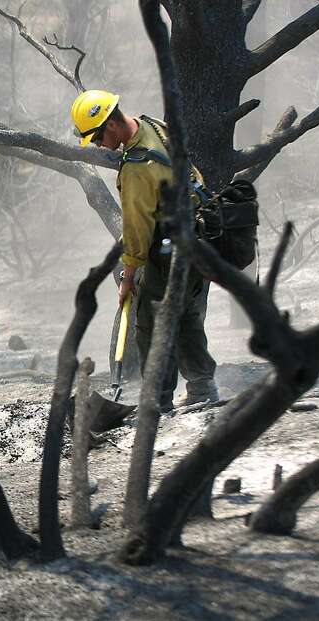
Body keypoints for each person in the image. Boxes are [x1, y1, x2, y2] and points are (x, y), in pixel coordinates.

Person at [70, 90, 218, 411]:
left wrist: (129, 275)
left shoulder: (137, 166)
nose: (98, 146)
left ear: (110, 125)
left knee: (151, 323)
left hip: (167, 249)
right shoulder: (154, 125)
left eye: (96, 138)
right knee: (188, 316)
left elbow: (137, 229)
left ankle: (158, 400)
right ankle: (202, 387)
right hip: (197, 234)